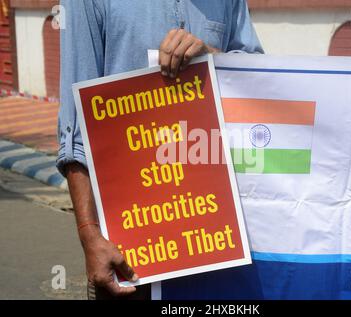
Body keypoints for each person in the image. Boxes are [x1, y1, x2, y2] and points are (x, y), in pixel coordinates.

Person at [57, 0, 263, 299]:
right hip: (132, 250)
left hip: (215, 237)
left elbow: (256, 80)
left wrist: (213, 60)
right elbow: (75, 129)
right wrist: (89, 234)